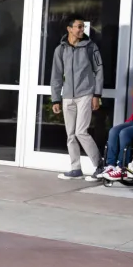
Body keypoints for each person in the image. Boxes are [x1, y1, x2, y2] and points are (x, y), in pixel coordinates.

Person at [51, 14, 104, 181]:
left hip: (85, 94)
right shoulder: (60, 49)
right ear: (69, 29)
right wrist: (55, 98)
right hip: (67, 96)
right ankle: (75, 168)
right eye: (79, 26)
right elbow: (56, 75)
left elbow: (99, 71)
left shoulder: (90, 47)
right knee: (71, 135)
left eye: (83, 27)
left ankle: (99, 165)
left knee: (81, 132)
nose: (82, 29)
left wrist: (97, 94)